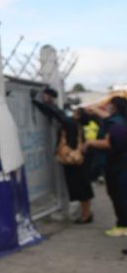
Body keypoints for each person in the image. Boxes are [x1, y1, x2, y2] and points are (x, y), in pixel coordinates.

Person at [33, 88, 94, 223]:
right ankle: (87, 213)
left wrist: (44, 101)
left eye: (76, 111)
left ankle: (86, 215)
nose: (73, 111)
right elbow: (59, 114)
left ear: (78, 116)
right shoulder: (77, 125)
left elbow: (58, 114)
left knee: (81, 189)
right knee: (84, 188)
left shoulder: (71, 124)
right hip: (79, 161)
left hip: (73, 161)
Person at [84, 96, 127, 236]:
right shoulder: (119, 119)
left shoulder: (116, 123)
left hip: (117, 165)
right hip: (118, 164)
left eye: (109, 105)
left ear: (114, 107)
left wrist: (90, 143)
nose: (107, 107)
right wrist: (95, 110)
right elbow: (107, 117)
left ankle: (123, 225)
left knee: (119, 195)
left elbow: (108, 143)